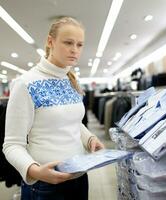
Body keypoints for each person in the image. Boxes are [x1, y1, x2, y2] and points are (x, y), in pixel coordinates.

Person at [2, 17, 105, 200]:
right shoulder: (26, 83)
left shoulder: (70, 80)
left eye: (80, 45)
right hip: (44, 185)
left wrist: (89, 139)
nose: (75, 50)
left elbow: (72, 122)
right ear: (50, 42)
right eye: (68, 43)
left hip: (79, 176)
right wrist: (36, 172)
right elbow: (11, 145)